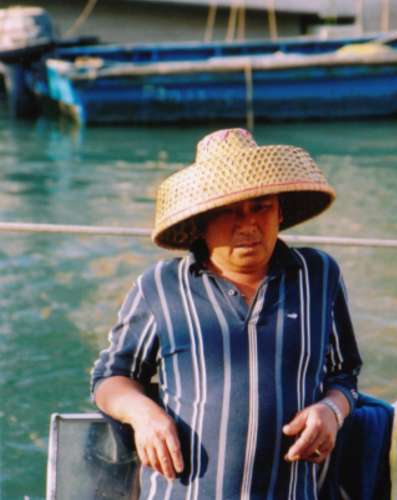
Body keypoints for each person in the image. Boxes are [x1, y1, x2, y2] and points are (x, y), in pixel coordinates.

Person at [91, 128, 363, 499]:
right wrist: (142, 414)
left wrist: (331, 410)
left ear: (280, 210)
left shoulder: (319, 275)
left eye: (261, 207)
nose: (248, 224)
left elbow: (344, 373)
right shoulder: (161, 286)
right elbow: (111, 377)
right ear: (201, 222)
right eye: (228, 211)